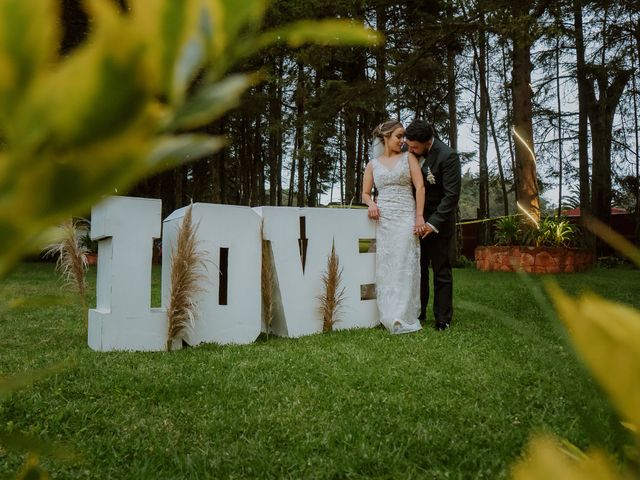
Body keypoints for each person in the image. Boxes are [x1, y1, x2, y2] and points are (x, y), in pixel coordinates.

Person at [361, 120, 427, 334]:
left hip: (407, 218)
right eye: (399, 136)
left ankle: (404, 314)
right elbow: (365, 192)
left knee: (405, 265)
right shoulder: (373, 164)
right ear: (386, 137)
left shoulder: (409, 158)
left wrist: (419, 217)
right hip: (385, 220)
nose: (403, 140)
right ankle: (389, 314)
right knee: (387, 267)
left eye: (403, 136)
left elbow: (420, 187)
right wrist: (371, 203)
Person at [404, 120, 461, 330]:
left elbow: (451, 196)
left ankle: (442, 319)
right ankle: (419, 313)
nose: (410, 149)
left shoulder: (448, 156)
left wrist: (432, 223)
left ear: (428, 142)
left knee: (441, 271)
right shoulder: (409, 150)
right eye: (409, 145)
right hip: (414, 222)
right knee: (418, 270)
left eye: (414, 147)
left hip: (439, 224)